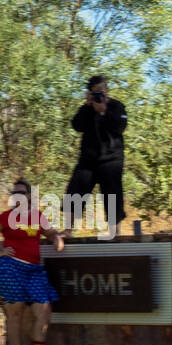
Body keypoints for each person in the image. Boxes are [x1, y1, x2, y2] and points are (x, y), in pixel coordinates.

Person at [0, 178, 65, 345]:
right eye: (14, 193)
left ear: (29, 196)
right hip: (11, 267)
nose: (17, 196)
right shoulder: (6, 217)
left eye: (21, 193)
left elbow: (49, 232)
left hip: (33, 270)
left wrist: (57, 238)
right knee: (15, 312)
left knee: (43, 309)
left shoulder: (37, 216)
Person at [66, 74, 128, 234]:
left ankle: (115, 232)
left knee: (112, 193)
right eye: (96, 92)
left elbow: (120, 126)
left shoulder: (117, 106)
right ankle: (67, 230)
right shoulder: (86, 109)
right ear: (90, 94)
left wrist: (103, 112)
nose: (100, 94)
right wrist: (88, 106)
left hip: (112, 159)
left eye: (102, 90)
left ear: (107, 90)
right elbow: (77, 125)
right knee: (75, 189)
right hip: (88, 159)